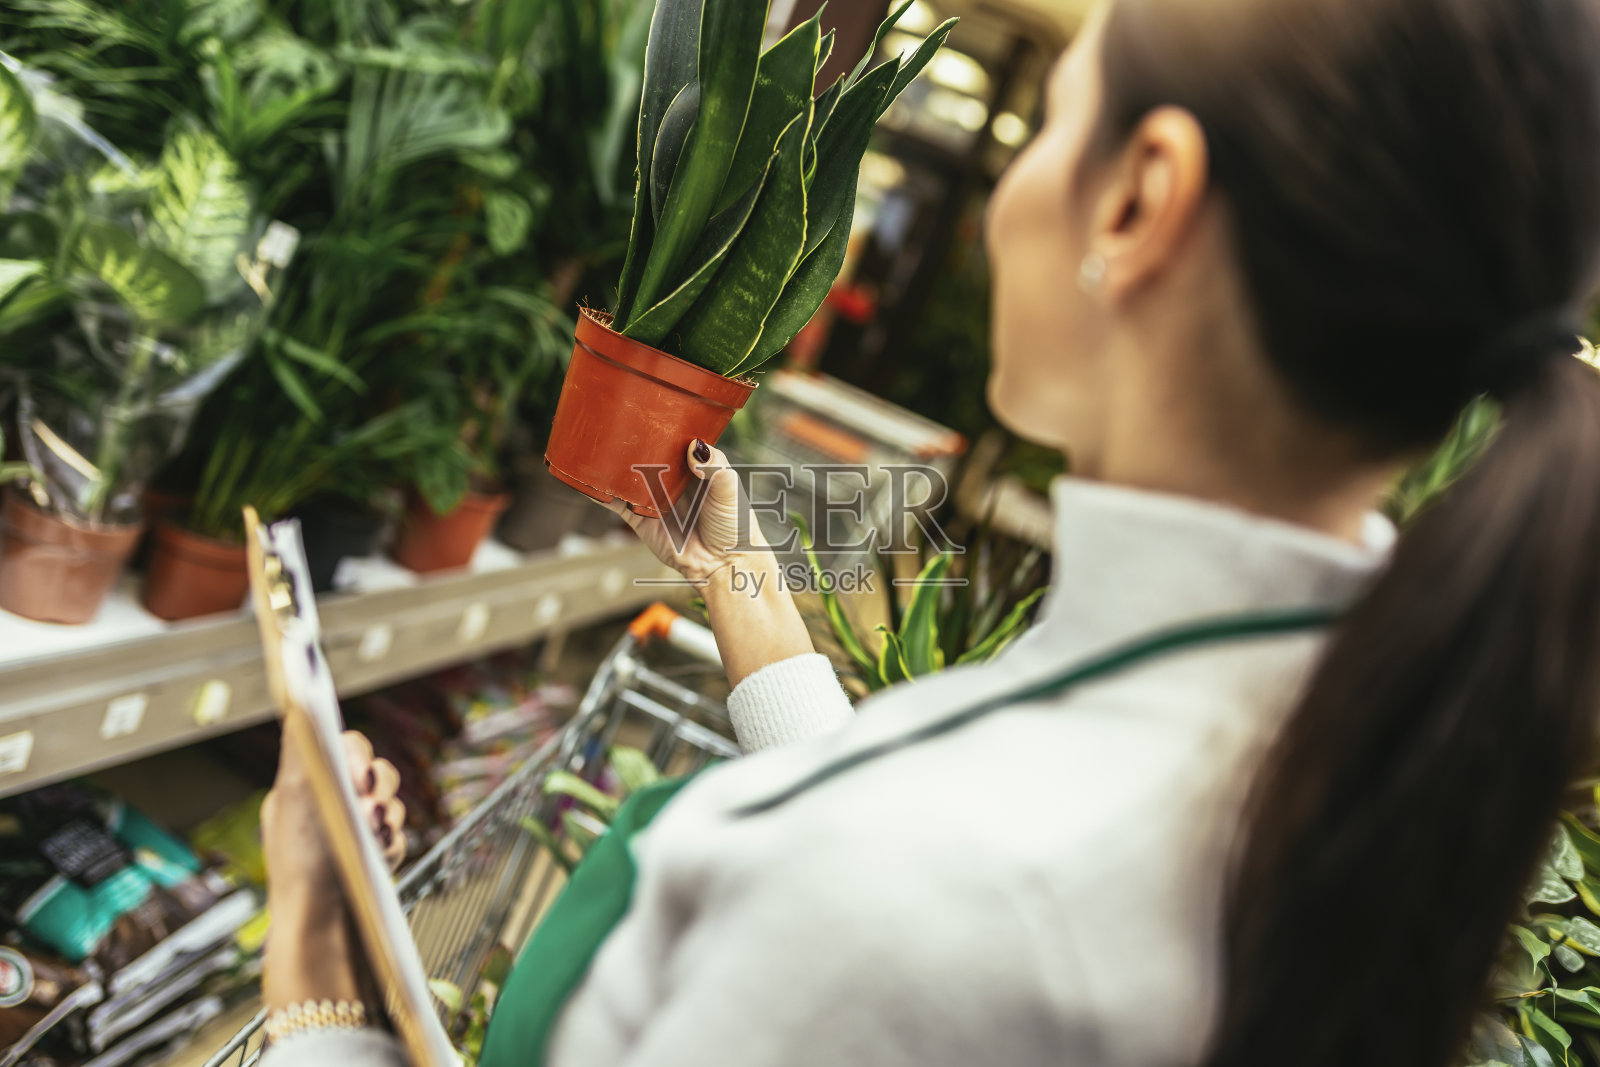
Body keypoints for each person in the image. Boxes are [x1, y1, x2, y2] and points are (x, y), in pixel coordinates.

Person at [257, 0, 1600, 1063]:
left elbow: (912, 901)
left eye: (1050, 127)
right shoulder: (1346, 743)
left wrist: (320, 976)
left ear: (1138, 201)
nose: (1007, 200)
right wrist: (752, 601)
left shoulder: (919, 900)